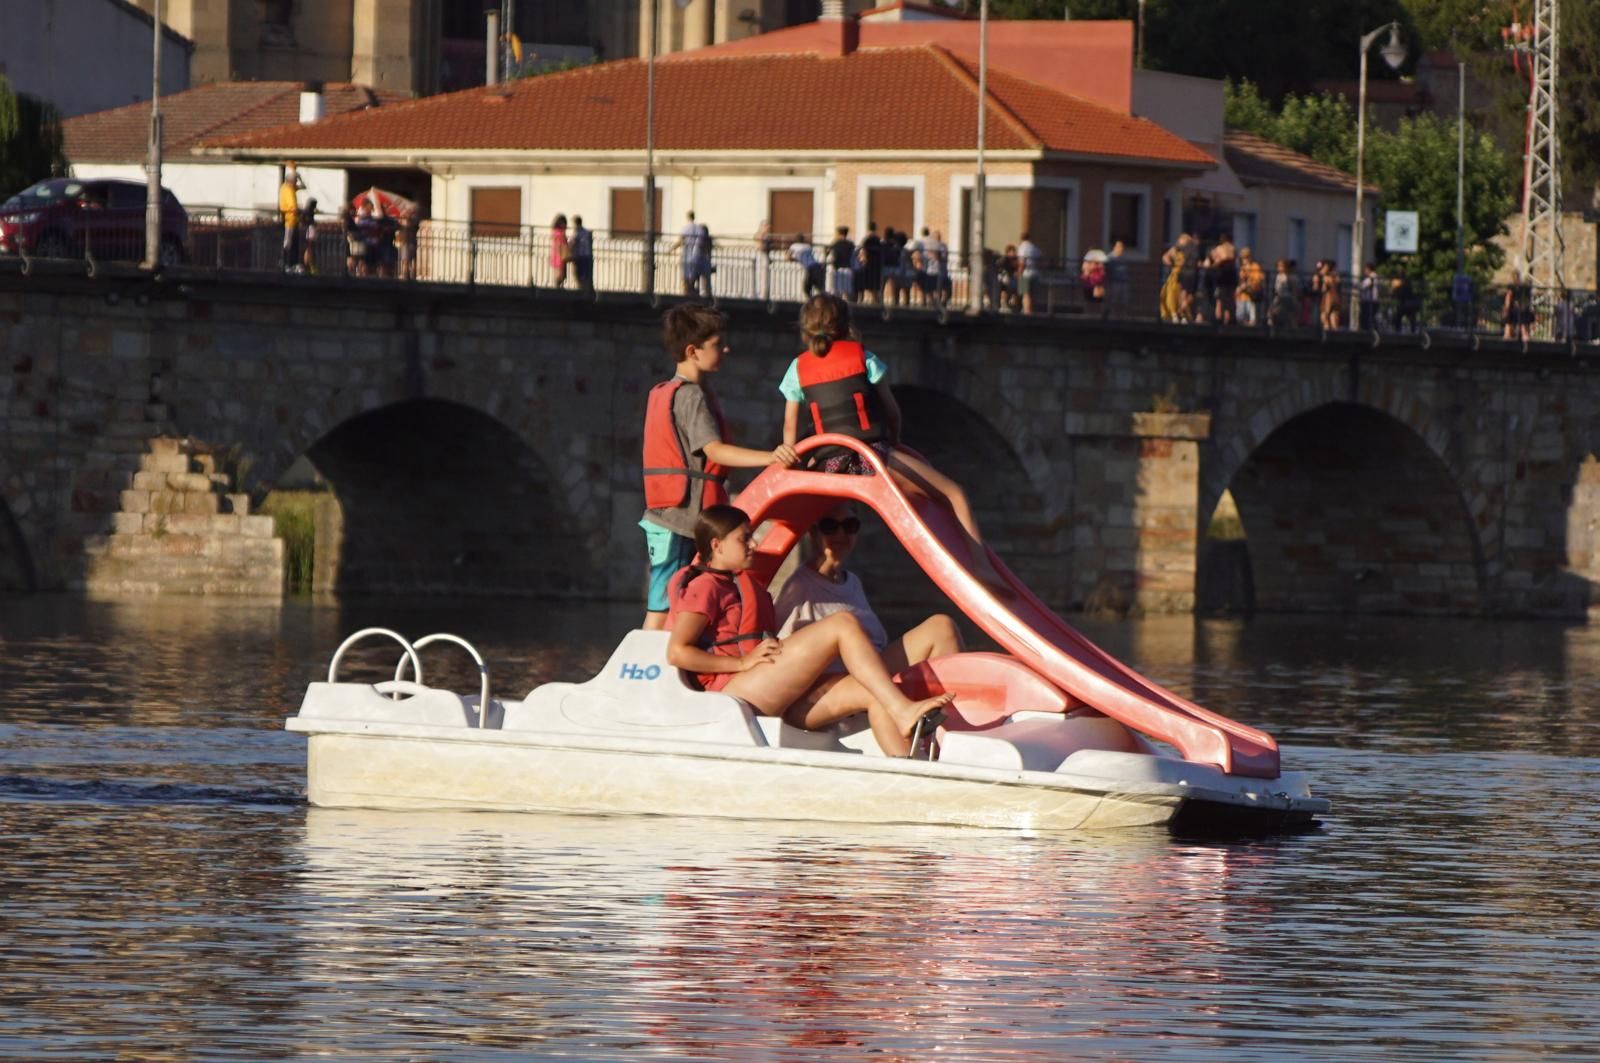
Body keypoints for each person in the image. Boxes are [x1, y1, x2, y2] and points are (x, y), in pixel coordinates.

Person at [666, 505, 953, 758]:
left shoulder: (736, 585)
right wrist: (741, 663)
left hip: (752, 679)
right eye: (744, 539)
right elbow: (678, 651)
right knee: (843, 624)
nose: (754, 544)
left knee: (910, 654)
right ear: (717, 546)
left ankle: (916, 765)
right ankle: (903, 715)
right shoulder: (705, 586)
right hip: (730, 691)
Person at [778, 294, 1009, 592]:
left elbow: (789, 427)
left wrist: (794, 462)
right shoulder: (864, 357)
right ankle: (982, 569)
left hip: (828, 465)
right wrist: (894, 442)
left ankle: (814, 576)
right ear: (846, 325)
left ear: (805, 330)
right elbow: (892, 412)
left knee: (818, 518)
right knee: (954, 493)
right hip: (871, 458)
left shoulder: (797, 369)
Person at [640, 303, 798, 631]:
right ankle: (640, 671)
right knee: (662, 603)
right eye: (717, 344)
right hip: (676, 521)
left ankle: (672, 664)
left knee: (676, 598)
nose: (726, 348)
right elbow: (714, 450)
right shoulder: (691, 396)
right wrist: (769, 457)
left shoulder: (683, 392)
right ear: (692, 351)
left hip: (676, 516)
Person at [775, 501, 963, 677]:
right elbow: (781, 652)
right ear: (813, 533)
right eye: (829, 527)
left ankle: (956, 708)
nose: (840, 534)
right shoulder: (799, 587)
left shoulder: (852, 582)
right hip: (842, 683)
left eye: (849, 525)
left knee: (942, 628)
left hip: (874, 671)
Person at [675, 211, 712, 298]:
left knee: (686, 279)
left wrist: (671, 250)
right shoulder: (700, 229)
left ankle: (686, 295)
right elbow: (703, 244)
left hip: (687, 257)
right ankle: (702, 294)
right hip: (697, 257)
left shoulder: (685, 228)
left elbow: (681, 240)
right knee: (695, 278)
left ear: (688, 217)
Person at [278, 162, 305, 272]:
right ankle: (285, 264)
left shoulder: (292, 188)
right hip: (289, 220)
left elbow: (304, 186)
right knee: (288, 243)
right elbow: (291, 207)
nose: (296, 183)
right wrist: (299, 211)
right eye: (295, 181)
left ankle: (292, 264)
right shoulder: (286, 189)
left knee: (294, 243)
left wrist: (298, 176)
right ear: (290, 181)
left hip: (294, 220)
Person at [1210, 233, 1237, 325]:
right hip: (1231, 275)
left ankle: (1219, 317)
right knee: (1230, 298)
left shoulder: (1219, 249)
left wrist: (1213, 265)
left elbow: (1218, 260)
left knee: (1220, 298)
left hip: (1222, 274)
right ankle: (1231, 317)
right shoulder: (1233, 248)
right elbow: (1233, 258)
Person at [788, 233, 824, 298]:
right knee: (818, 287)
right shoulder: (808, 246)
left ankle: (812, 302)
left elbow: (788, 257)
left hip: (810, 268)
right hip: (817, 266)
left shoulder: (794, 246)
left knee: (806, 288)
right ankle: (822, 300)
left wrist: (794, 258)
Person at [855, 222, 882, 305]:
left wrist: (862, 260)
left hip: (868, 264)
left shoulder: (867, 239)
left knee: (867, 282)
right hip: (876, 264)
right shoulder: (878, 239)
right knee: (875, 283)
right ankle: (875, 300)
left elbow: (862, 250)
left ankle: (868, 299)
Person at [1236, 247, 1264, 326]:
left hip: (1251, 296)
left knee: (1252, 319)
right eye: (1243, 258)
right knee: (1240, 317)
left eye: (1246, 257)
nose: (1245, 260)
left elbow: (1258, 280)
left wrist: (1247, 285)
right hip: (1242, 296)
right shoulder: (1242, 268)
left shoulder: (1255, 267)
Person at [1502, 271, 1532, 341]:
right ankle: (1524, 337)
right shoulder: (1523, 287)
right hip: (1522, 307)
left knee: (1509, 323)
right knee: (1523, 324)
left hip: (1514, 308)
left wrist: (1506, 308)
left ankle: (1508, 336)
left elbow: (1508, 297)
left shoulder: (1512, 286)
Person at [1017, 232, 1041, 315]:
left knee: (1026, 294)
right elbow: (1040, 259)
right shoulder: (1034, 247)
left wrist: (1019, 272)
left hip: (1026, 273)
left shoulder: (1022, 248)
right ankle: (1032, 311)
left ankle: (1027, 312)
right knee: (1033, 294)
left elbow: (1022, 262)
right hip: (1036, 272)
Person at [828, 226, 855, 299]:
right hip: (847, 268)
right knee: (846, 291)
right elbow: (853, 256)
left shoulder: (835, 243)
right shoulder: (851, 244)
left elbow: (830, 254)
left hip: (837, 268)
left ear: (839, 234)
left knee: (836, 290)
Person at [571, 215, 593, 295]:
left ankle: (581, 289)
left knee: (579, 274)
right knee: (585, 274)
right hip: (587, 255)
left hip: (580, 255)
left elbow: (572, 243)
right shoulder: (586, 232)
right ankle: (584, 289)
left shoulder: (578, 232)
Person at [549, 213, 571, 289]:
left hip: (558, 253)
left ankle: (558, 286)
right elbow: (562, 242)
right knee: (560, 272)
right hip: (559, 253)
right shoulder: (559, 232)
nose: (565, 225)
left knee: (560, 272)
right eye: (563, 223)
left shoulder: (556, 231)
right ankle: (558, 287)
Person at [1358, 263, 1380, 330]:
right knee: (1370, 317)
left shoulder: (1372, 277)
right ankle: (1372, 330)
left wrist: (1357, 285)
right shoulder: (1375, 277)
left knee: (1367, 317)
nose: (1364, 271)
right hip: (1373, 300)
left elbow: (1362, 286)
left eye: (1365, 269)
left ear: (1368, 269)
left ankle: (1368, 331)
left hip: (1369, 301)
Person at [300, 198, 319, 275]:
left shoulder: (306, 211)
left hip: (309, 229)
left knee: (309, 248)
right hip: (311, 229)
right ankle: (309, 266)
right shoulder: (308, 212)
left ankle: (308, 266)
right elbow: (307, 220)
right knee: (310, 247)